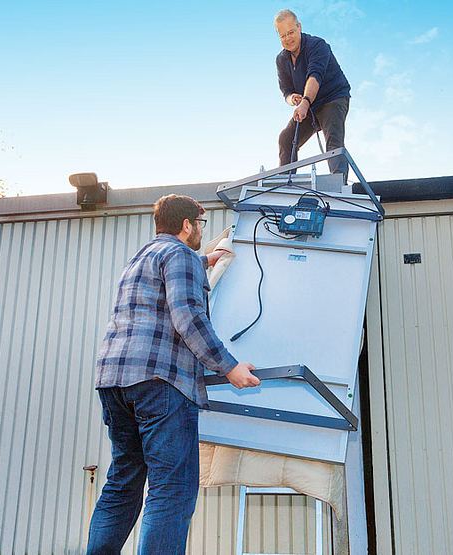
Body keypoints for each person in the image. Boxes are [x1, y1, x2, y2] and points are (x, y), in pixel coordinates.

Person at [87, 194, 260, 555]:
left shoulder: (141, 257)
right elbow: (188, 317)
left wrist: (205, 261)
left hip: (115, 381)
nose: (201, 230)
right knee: (172, 488)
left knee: (123, 483)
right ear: (187, 225)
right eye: (200, 224)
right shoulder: (180, 255)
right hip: (159, 382)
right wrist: (229, 367)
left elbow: (167, 288)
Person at [275, 9, 352, 178]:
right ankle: (285, 181)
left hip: (333, 98)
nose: (288, 39)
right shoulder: (281, 59)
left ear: (299, 27)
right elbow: (286, 91)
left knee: (333, 140)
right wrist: (292, 98)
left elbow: (314, 75)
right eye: (283, 36)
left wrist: (305, 101)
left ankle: (339, 182)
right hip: (308, 106)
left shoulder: (317, 45)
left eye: (291, 32)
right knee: (286, 139)